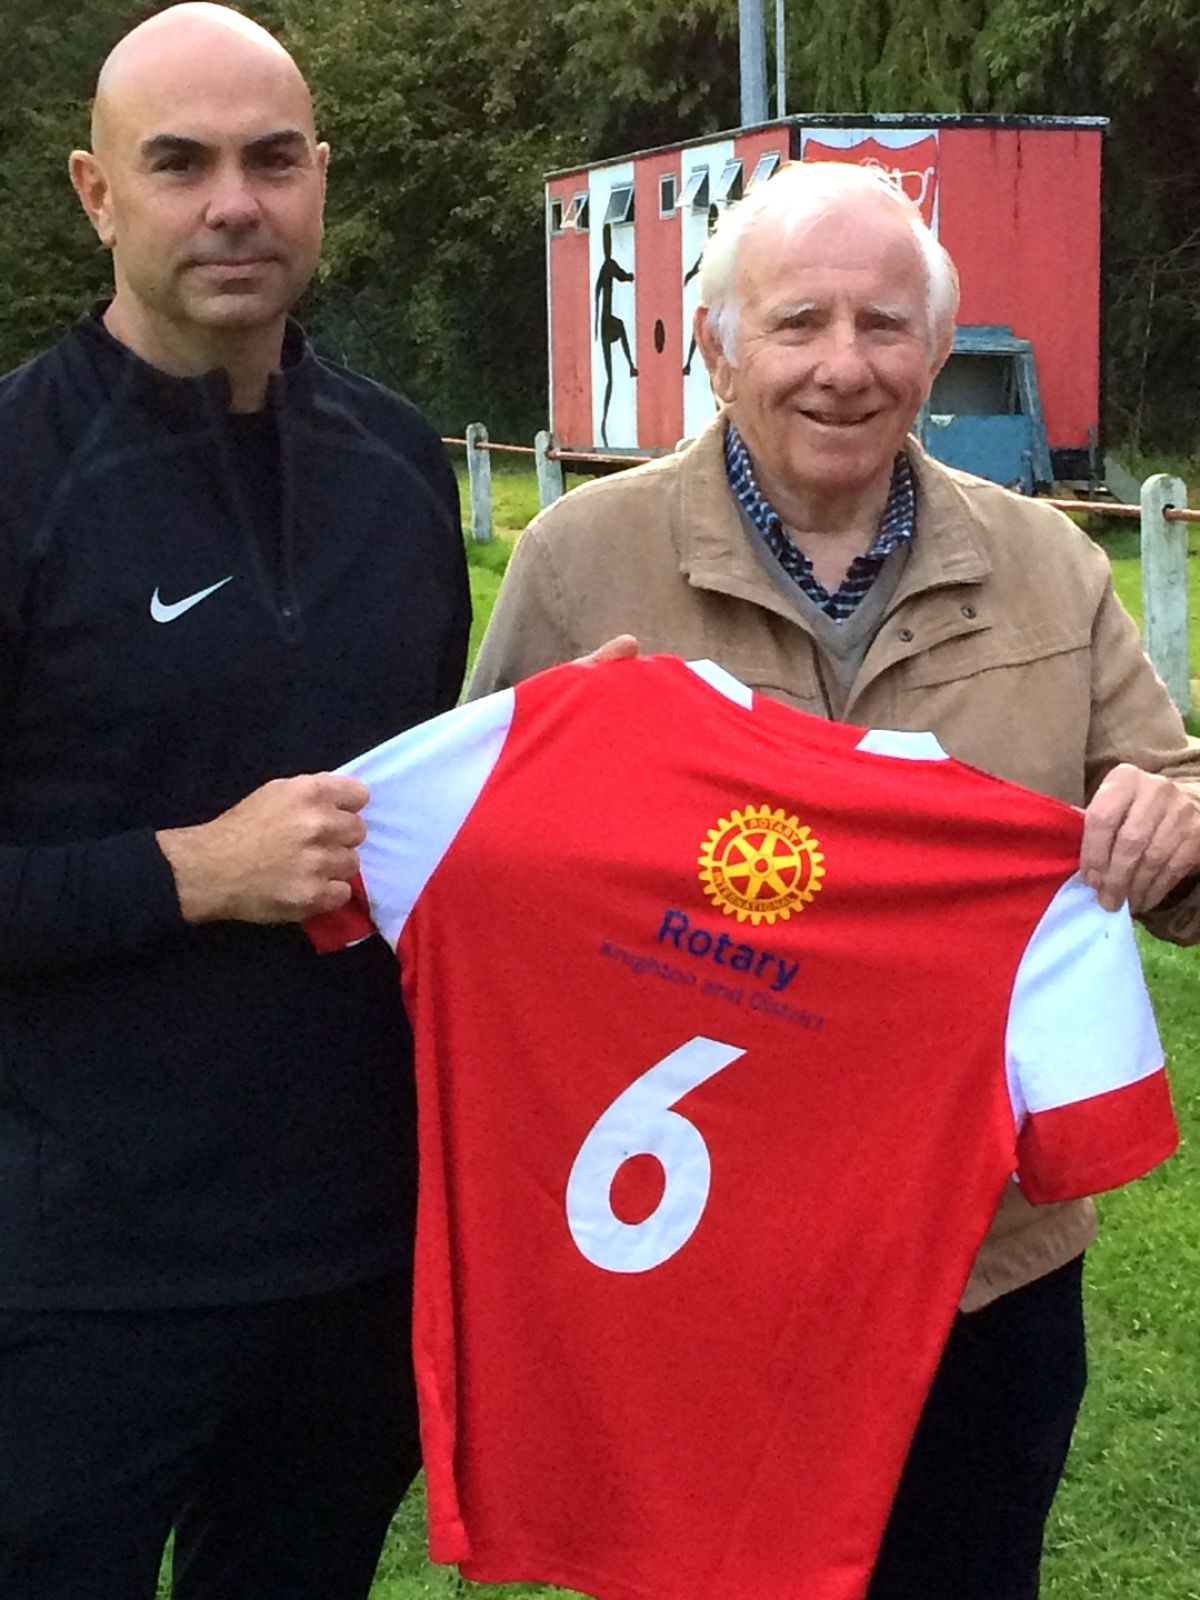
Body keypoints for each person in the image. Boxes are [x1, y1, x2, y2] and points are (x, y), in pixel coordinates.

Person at [470, 160, 1200, 1599]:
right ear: (718, 344)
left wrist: (1181, 822)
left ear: (939, 349)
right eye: (799, 322)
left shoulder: (1049, 569)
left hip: (980, 1269)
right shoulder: (580, 564)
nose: (844, 367)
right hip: (691, 1255)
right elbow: (481, 878)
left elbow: (1171, 813)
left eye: (884, 326)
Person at [0, 7, 469, 1599]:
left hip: (353, 1252)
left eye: (273, 161)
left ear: (321, 177)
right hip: (76, 1271)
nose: (233, 205)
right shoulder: (17, 473)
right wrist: (190, 871)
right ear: (95, 193)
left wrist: (565, 753)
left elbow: (423, 831)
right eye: (179, 164)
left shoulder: (399, 468)